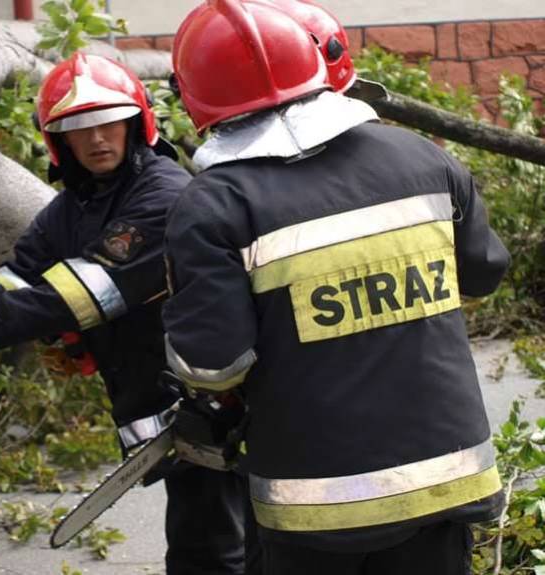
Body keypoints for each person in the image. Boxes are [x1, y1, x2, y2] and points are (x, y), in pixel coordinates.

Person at [161, 1, 511, 574]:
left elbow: (214, 367)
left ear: (197, 95)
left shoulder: (213, 205)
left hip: (314, 509)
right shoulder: (424, 158)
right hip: (446, 482)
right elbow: (484, 271)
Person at [0, 51, 258, 574]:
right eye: (78, 128)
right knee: (203, 540)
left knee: (216, 547)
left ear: (136, 123)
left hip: (213, 393)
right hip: (161, 394)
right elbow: (23, 276)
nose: (96, 139)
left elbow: (94, 290)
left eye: (107, 122)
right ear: (58, 140)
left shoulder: (163, 194)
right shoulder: (72, 208)